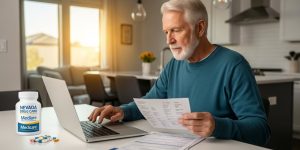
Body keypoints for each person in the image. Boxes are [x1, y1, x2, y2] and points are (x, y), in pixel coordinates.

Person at [88, 0, 270, 146]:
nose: (169, 40)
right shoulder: (174, 65)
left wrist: (218, 126)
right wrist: (122, 110)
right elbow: (149, 103)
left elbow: (261, 131)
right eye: (166, 32)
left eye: (176, 30)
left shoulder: (233, 65)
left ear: (200, 28)